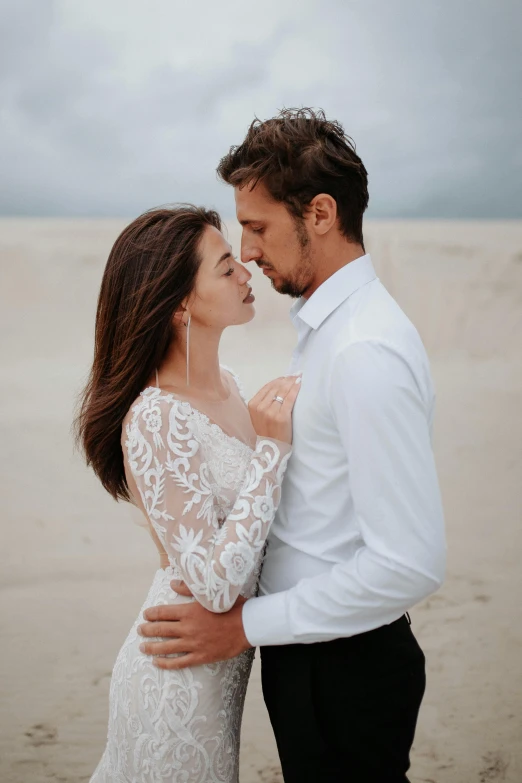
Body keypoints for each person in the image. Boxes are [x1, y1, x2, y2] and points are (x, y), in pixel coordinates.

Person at [138, 109, 447, 783]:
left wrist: (247, 623)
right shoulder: (326, 328)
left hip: (347, 666)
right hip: (310, 657)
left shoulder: (365, 349)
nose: (246, 251)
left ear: (322, 213)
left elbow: (410, 563)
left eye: (257, 227)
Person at [76, 204, 300, 782]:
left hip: (218, 684)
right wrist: (272, 452)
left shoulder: (232, 389)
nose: (246, 272)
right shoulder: (155, 417)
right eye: (226, 267)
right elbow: (215, 583)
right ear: (179, 303)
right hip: (172, 686)